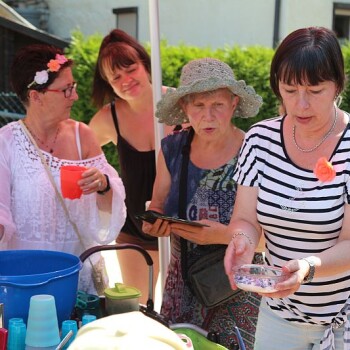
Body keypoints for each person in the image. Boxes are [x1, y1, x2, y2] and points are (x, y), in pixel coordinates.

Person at [224, 26, 350, 350]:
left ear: (338, 84)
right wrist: (240, 241)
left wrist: (307, 268)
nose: (301, 104)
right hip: (279, 314)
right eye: (290, 90)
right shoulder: (259, 140)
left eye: (315, 90)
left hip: (343, 316)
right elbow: (246, 219)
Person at [142, 57, 263, 349]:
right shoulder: (172, 149)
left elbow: (271, 237)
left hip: (239, 284)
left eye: (217, 105)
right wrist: (154, 223)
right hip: (182, 284)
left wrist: (221, 235)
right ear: (184, 108)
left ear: (234, 104)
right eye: (198, 106)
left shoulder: (254, 152)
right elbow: (157, 205)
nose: (208, 116)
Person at [0, 44, 126, 295]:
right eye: (66, 90)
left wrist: (103, 185)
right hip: (28, 279)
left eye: (74, 87)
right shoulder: (6, 142)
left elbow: (110, 203)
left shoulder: (83, 135)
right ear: (36, 96)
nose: (75, 96)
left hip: (79, 273)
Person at [89, 29, 172, 304]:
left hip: (182, 229)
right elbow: (80, 156)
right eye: (116, 78)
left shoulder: (181, 104)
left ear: (146, 65)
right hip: (133, 230)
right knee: (135, 312)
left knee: (179, 320)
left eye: (130, 68)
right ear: (109, 85)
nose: (126, 81)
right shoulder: (108, 117)